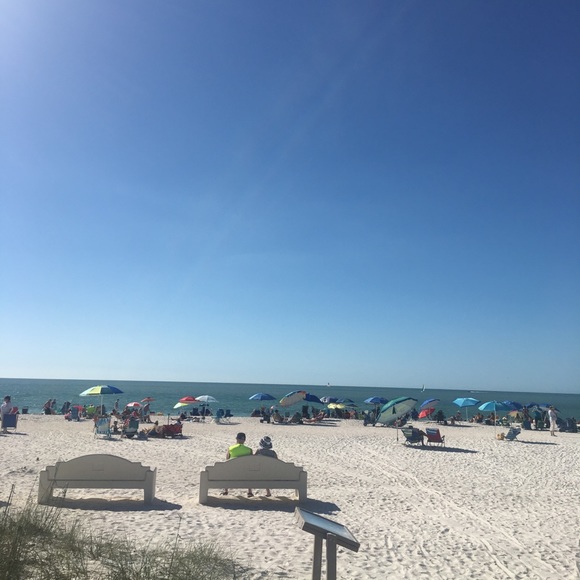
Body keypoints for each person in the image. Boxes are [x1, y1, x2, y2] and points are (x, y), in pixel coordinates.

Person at [222, 433, 253, 497]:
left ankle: (226, 491)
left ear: (236, 439)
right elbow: (251, 462)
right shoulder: (249, 450)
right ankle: (249, 492)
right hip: (245, 473)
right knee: (249, 471)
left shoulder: (230, 448)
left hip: (233, 473)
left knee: (226, 469)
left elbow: (227, 460)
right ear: (244, 440)